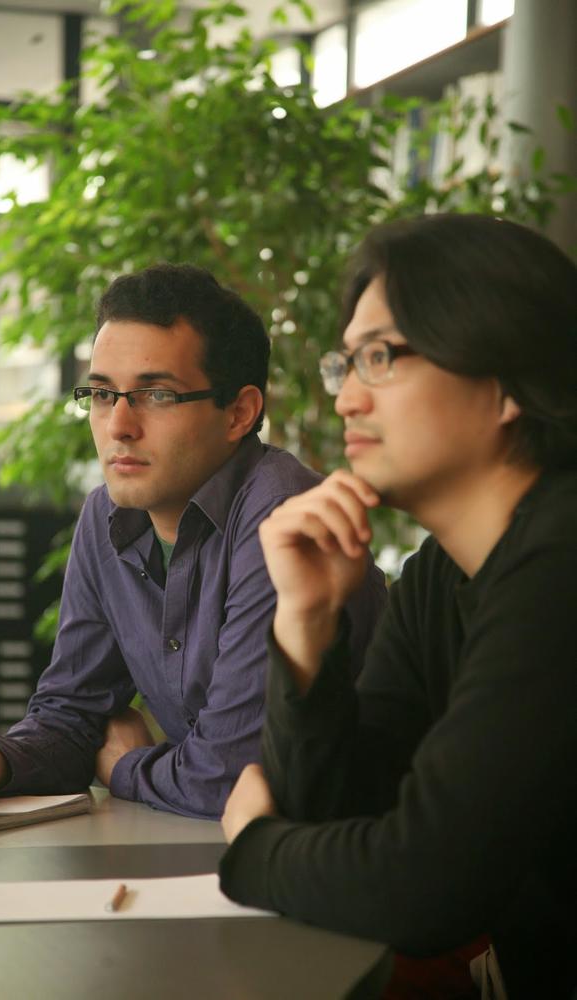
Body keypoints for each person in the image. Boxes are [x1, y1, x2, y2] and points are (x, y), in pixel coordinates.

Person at [219, 214, 577, 998]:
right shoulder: (437, 577)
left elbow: (423, 887)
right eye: (345, 363)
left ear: (506, 379)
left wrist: (250, 847)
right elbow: (337, 821)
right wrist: (306, 623)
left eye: (378, 358)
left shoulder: (559, 566)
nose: (347, 399)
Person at [0, 263, 386, 820]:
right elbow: (72, 711)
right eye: (101, 393)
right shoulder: (105, 516)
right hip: (229, 850)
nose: (118, 425)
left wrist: (124, 766)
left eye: (157, 394)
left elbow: (229, 778)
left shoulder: (280, 516)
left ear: (239, 412)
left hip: (354, 848)